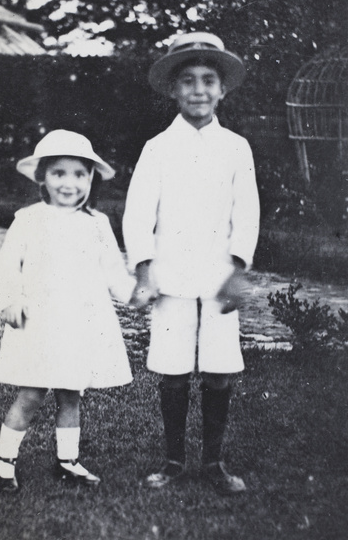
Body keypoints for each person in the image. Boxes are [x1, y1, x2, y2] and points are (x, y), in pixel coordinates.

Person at [123, 32, 260, 495]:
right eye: (188, 80)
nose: (199, 90)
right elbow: (138, 214)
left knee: (220, 366)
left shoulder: (237, 148)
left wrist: (239, 269)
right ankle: (175, 459)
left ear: (222, 90)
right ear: (173, 90)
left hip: (220, 276)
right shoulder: (157, 149)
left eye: (208, 80)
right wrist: (144, 271)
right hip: (170, 276)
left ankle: (214, 463)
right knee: (173, 367)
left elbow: (248, 212)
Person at [0, 130, 135, 493]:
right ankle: (3, 462)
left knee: (71, 392)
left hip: (80, 322)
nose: (69, 183)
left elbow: (114, 273)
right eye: (59, 173)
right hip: (40, 321)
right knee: (32, 392)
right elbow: (7, 265)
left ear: (90, 179)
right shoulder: (28, 219)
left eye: (79, 174)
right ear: (42, 177)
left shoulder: (97, 223)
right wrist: (11, 299)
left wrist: (138, 292)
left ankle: (67, 460)